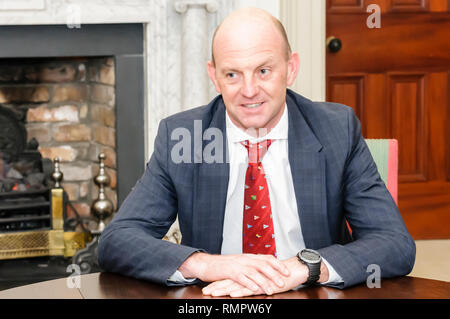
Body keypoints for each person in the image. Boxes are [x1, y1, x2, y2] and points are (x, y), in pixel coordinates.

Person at [97, 8, 415, 297]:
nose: (249, 91)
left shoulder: (337, 130)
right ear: (214, 75)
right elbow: (118, 241)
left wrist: (304, 267)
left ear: (291, 69)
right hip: (217, 298)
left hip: (309, 293)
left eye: (263, 71)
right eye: (232, 74)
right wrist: (205, 264)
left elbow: (394, 243)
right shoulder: (184, 137)